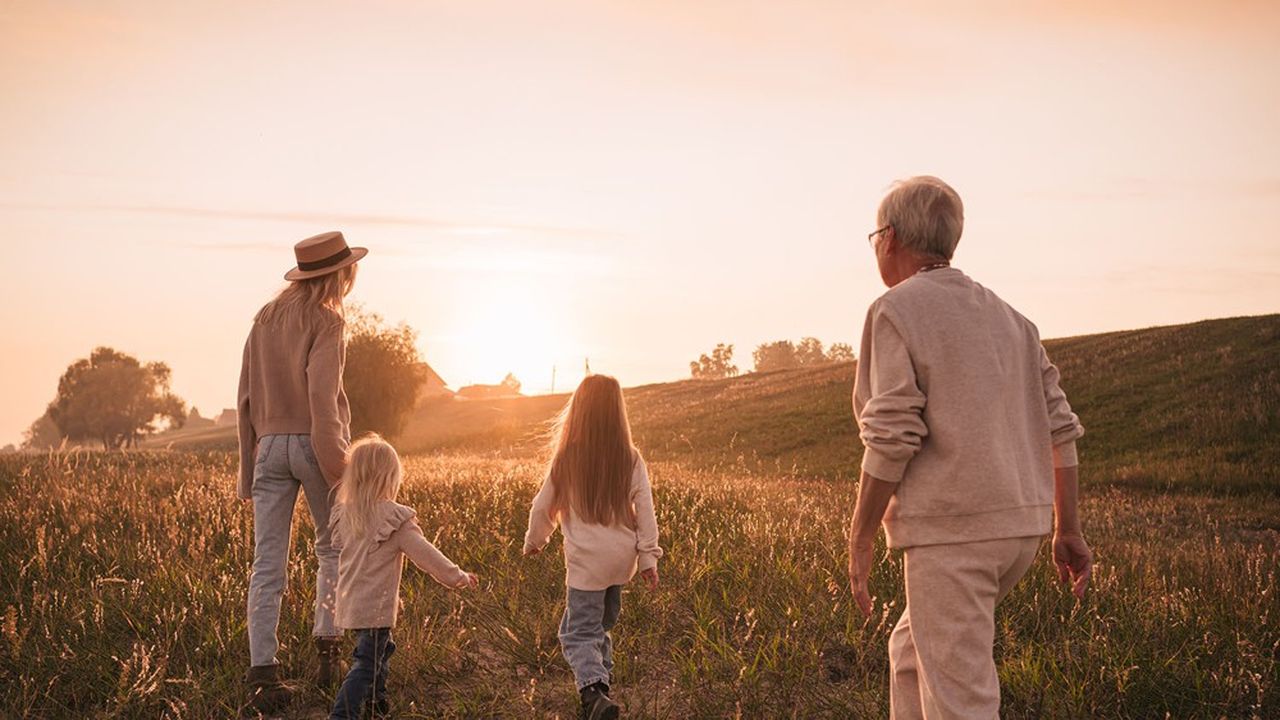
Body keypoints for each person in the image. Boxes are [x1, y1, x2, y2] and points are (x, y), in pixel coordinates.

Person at [847, 177, 1093, 719]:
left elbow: (892, 434)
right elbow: (1061, 430)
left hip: (954, 533)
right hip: (1017, 535)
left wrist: (861, 533)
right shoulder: (1013, 320)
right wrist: (1066, 528)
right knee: (911, 652)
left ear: (888, 238)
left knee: (963, 703)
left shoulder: (894, 309)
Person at [237, 231, 366, 714]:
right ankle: (328, 650)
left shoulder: (264, 319)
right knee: (330, 548)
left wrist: (247, 466)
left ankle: (263, 673)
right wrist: (340, 468)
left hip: (268, 447)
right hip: (314, 443)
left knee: (266, 563)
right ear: (340, 274)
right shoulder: (328, 320)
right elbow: (322, 399)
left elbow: (245, 396)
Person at [524, 375, 663, 720]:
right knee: (598, 626)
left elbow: (543, 507)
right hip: (620, 560)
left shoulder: (567, 458)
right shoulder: (630, 458)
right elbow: (645, 509)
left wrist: (535, 540)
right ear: (618, 411)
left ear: (579, 411)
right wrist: (648, 557)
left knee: (576, 632)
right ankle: (603, 685)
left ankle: (593, 693)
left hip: (587, 565)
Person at [327, 435, 479, 719]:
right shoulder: (394, 519)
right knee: (366, 663)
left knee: (381, 652)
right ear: (389, 478)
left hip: (351, 604)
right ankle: (342, 714)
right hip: (374, 609)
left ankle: (376, 703)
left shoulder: (347, 514)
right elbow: (427, 556)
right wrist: (457, 577)